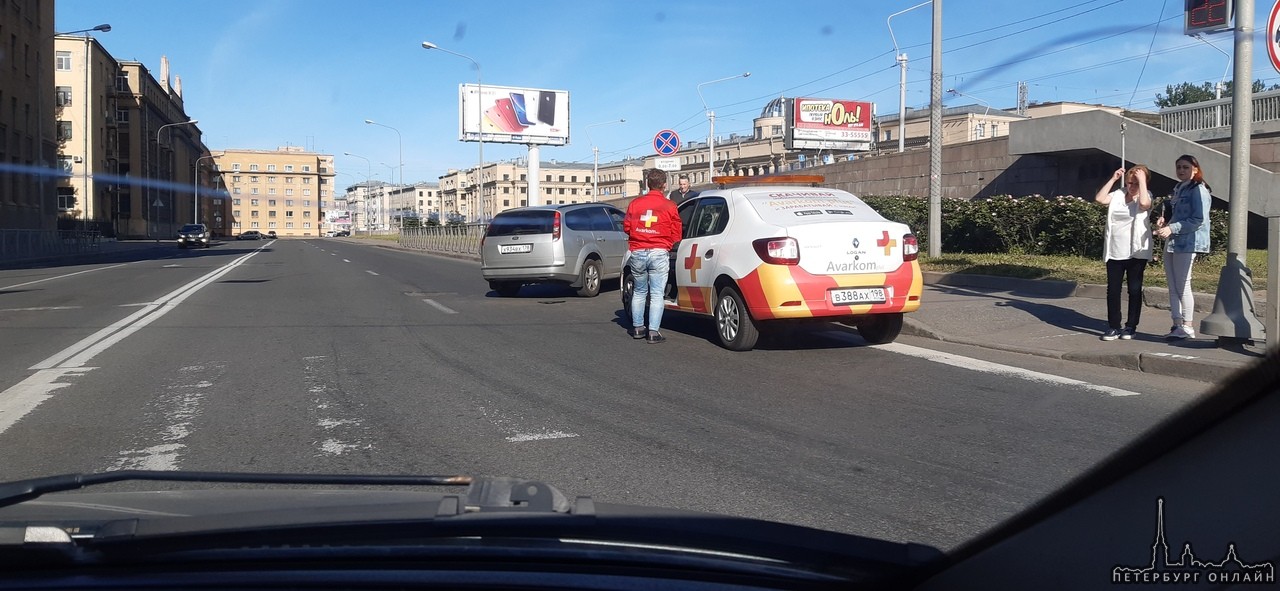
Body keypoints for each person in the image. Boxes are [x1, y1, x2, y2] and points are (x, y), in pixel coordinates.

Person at [1154, 154, 1212, 340]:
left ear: (1195, 169)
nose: (1181, 170)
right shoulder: (1179, 188)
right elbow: (1177, 213)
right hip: (1173, 241)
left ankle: (1188, 326)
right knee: (1173, 285)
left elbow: (1198, 220)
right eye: (1178, 167)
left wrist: (1172, 228)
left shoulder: (1198, 189)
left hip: (1188, 241)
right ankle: (1176, 324)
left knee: (1183, 284)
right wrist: (1166, 220)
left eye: (1185, 167)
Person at [1094, 165, 1153, 341]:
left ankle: (1131, 326)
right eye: (1129, 182)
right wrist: (1113, 179)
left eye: (1136, 183)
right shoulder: (1118, 194)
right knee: (1113, 290)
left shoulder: (1146, 194)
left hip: (1136, 251)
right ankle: (1113, 326)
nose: (1132, 186)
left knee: (1134, 290)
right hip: (1115, 251)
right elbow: (1099, 199)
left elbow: (1144, 204)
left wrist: (1142, 181)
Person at [624, 169, 683, 343]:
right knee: (657, 293)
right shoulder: (669, 205)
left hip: (638, 251)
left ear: (647, 184)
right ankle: (653, 332)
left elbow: (627, 227)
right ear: (664, 185)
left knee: (640, 291)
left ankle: (637, 328)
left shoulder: (635, 203)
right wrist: (668, 243)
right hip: (659, 251)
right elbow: (677, 230)